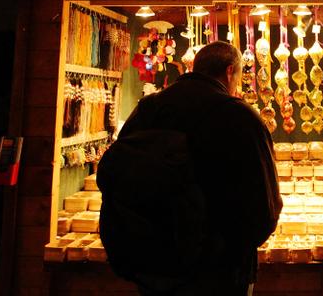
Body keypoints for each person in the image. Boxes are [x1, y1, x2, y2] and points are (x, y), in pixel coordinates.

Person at [113, 41, 282, 295]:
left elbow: (118, 176)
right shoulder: (241, 117)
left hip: (154, 265)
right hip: (221, 271)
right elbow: (265, 205)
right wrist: (236, 250)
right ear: (229, 72)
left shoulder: (148, 109)